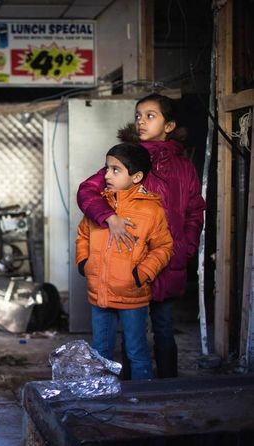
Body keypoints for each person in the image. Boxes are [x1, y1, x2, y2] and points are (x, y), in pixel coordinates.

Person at [77, 93, 206, 378]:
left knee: (163, 326)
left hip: (166, 258)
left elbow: (195, 211)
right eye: (138, 115)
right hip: (127, 264)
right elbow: (87, 192)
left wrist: (185, 246)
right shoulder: (127, 160)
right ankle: (126, 390)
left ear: (169, 125)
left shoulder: (184, 168)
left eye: (150, 115)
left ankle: (166, 389)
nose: (141, 121)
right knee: (131, 332)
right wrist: (108, 218)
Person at [76, 143, 174, 380]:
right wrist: (84, 262)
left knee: (137, 352)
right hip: (99, 292)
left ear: (137, 176)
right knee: (100, 352)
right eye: (106, 168)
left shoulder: (152, 210)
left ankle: (142, 402)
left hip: (132, 295)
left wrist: (142, 274)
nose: (106, 175)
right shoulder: (99, 204)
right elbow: (83, 235)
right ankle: (103, 399)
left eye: (115, 169)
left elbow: (164, 246)